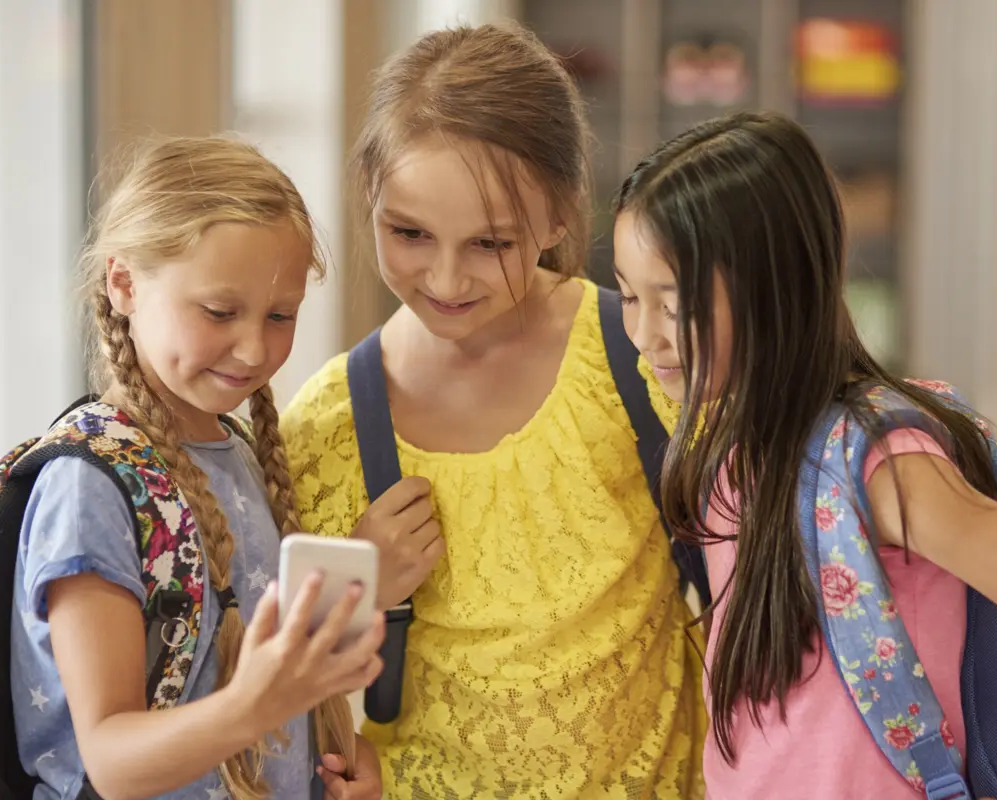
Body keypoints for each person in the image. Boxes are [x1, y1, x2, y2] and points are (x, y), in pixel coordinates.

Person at [609, 110, 997, 799]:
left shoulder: (880, 463)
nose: (643, 336)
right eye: (630, 298)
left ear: (773, 288)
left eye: (672, 303)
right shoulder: (731, 446)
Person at [281, 22, 705, 799]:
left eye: (490, 244)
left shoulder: (642, 360)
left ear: (557, 219)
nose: (445, 277)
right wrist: (361, 586)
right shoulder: (330, 423)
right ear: (368, 196)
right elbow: (278, 679)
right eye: (409, 232)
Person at [9, 136, 385, 799]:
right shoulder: (90, 484)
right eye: (219, 312)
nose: (253, 347)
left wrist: (336, 754)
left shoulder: (240, 453)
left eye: (280, 315)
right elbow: (111, 762)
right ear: (123, 283)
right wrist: (257, 707)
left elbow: (233, 684)